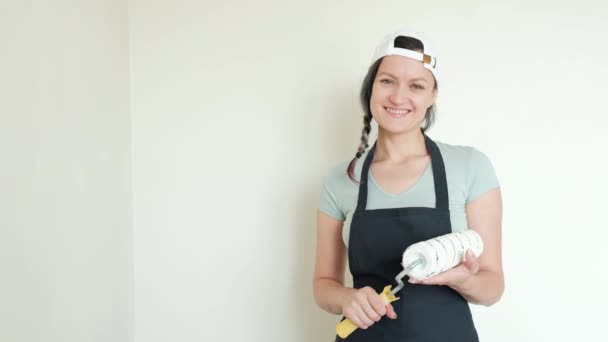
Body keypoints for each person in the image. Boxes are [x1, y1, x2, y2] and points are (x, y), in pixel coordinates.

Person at [312, 30, 504, 342]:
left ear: (432, 96)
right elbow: (323, 284)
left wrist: (461, 279)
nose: (399, 97)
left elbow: (493, 286)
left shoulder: (470, 167)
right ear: (370, 89)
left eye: (416, 86)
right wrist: (346, 298)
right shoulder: (341, 179)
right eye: (387, 81)